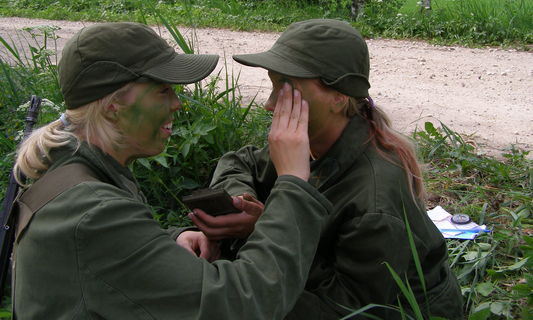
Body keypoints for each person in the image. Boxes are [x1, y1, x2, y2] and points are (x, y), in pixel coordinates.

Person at [11, 22, 332, 319]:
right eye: (164, 90)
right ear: (113, 106)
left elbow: (102, 261)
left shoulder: (71, 168)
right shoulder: (92, 210)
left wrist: (169, 243)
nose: (177, 103)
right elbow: (246, 302)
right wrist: (292, 181)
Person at [189, 19, 464, 319]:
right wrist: (241, 201)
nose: (269, 104)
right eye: (272, 84)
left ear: (338, 97)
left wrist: (267, 230)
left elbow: (349, 310)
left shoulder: (374, 202)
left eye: (285, 87)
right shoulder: (310, 143)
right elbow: (240, 161)